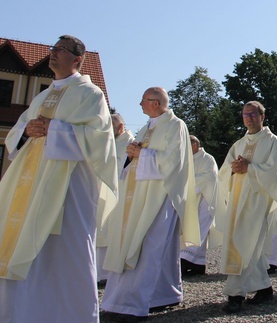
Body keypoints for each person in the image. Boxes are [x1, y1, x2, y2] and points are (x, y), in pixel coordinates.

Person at [0, 35, 119, 323]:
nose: (53, 53)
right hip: (31, 185)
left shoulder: (91, 95)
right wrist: (28, 130)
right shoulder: (41, 96)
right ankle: (22, 313)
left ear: (78, 59)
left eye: (61, 50)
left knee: (64, 253)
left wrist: (55, 129)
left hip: (69, 189)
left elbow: (99, 142)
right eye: (53, 48)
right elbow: (17, 132)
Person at [101, 87, 200, 321]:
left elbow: (173, 161)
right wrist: (131, 154)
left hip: (160, 196)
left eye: (143, 100)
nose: (140, 104)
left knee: (148, 248)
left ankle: (133, 305)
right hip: (137, 195)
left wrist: (140, 154)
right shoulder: (147, 127)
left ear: (155, 102)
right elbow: (135, 157)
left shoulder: (176, 126)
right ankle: (164, 295)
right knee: (155, 250)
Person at [217, 101, 277, 313]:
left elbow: (274, 172)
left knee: (245, 242)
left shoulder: (273, 142)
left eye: (253, 114)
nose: (248, 118)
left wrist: (249, 168)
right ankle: (263, 288)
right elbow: (224, 171)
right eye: (245, 114)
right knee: (251, 247)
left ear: (262, 116)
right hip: (238, 200)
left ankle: (235, 294)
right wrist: (233, 169)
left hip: (257, 201)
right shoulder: (238, 144)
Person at [97, 113, 134, 285]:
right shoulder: (106, 140)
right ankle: (98, 272)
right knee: (100, 229)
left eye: (111, 125)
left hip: (120, 194)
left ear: (120, 127)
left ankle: (108, 272)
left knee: (112, 230)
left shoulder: (130, 144)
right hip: (101, 192)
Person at [180, 136, 219, 277]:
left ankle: (184, 261)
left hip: (205, 201)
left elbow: (209, 178)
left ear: (195, 146)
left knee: (199, 231)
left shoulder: (208, 159)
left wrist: (188, 187)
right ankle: (198, 265)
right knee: (191, 231)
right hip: (190, 201)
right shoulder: (186, 160)